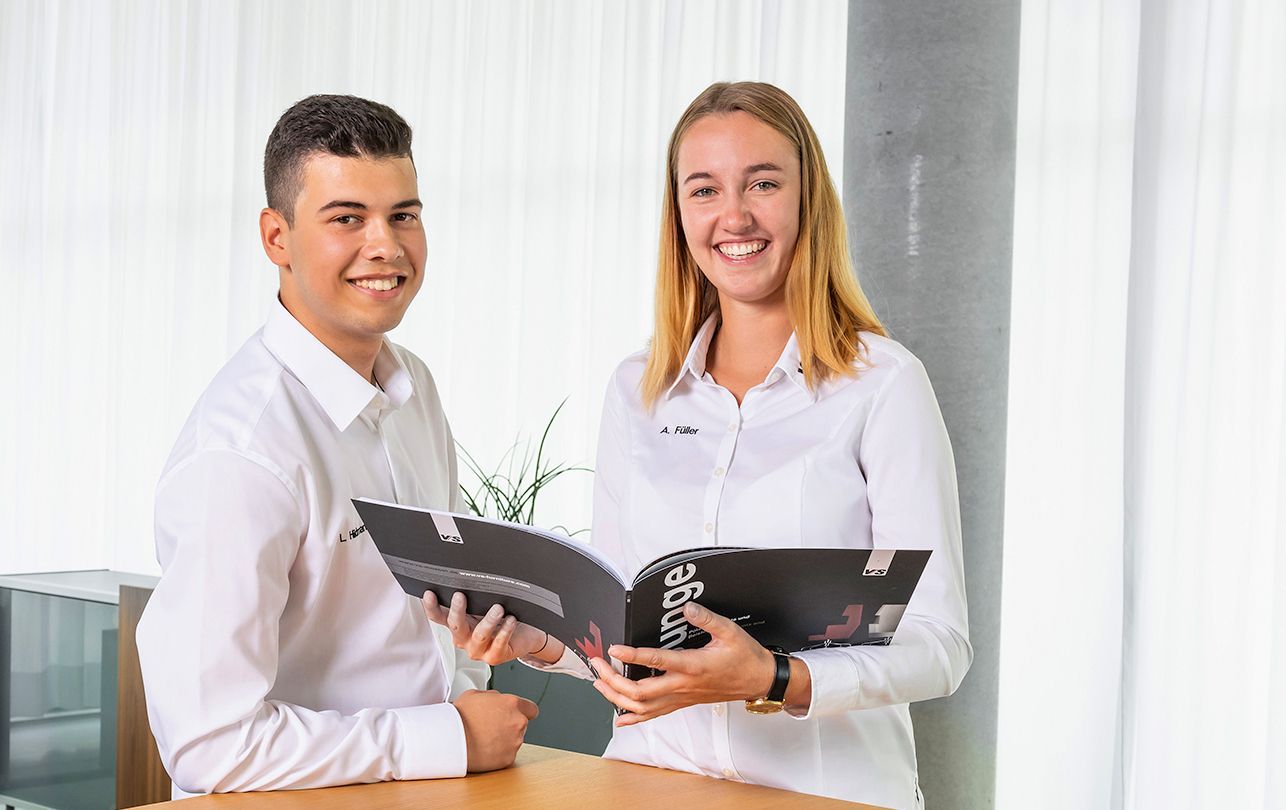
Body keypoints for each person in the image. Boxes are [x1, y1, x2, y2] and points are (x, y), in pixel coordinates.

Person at [427, 81, 971, 809]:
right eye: (705, 189)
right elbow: (626, 630)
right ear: (679, 212)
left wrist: (774, 678)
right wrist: (544, 645)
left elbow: (940, 645)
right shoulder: (638, 390)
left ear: (809, 197)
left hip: (827, 794)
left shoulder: (882, 384)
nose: (734, 216)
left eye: (763, 183)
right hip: (647, 785)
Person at [136, 94, 537, 797]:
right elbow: (208, 746)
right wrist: (449, 738)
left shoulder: (414, 386)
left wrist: (469, 694)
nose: (385, 245)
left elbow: (426, 625)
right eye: (347, 218)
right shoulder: (240, 453)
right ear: (276, 238)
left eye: (403, 215)